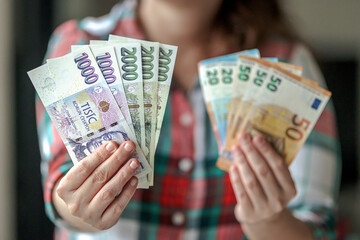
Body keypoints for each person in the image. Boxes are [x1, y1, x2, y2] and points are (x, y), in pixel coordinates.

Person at [36, 0, 341, 239]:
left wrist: (271, 222)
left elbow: (316, 225)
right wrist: (79, 207)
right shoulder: (78, 45)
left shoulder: (288, 67)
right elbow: (60, 189)